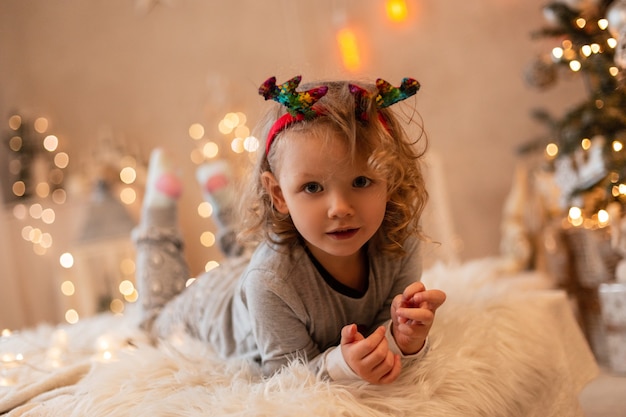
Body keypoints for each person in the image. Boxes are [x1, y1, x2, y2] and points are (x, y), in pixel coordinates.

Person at [133, 75, 446, 384]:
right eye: (312, 187)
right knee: (153, 319)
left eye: (361, 181)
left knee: (250, 252)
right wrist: (340, 365)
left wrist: (403, 339)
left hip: (262, 266)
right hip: (210, 306)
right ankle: (159, 205)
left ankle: (223, 198)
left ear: (390, 179)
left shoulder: (398, 242)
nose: (339, 207)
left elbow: (381, 335)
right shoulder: (268, 284)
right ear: (279, 194)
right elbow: (286, 380)